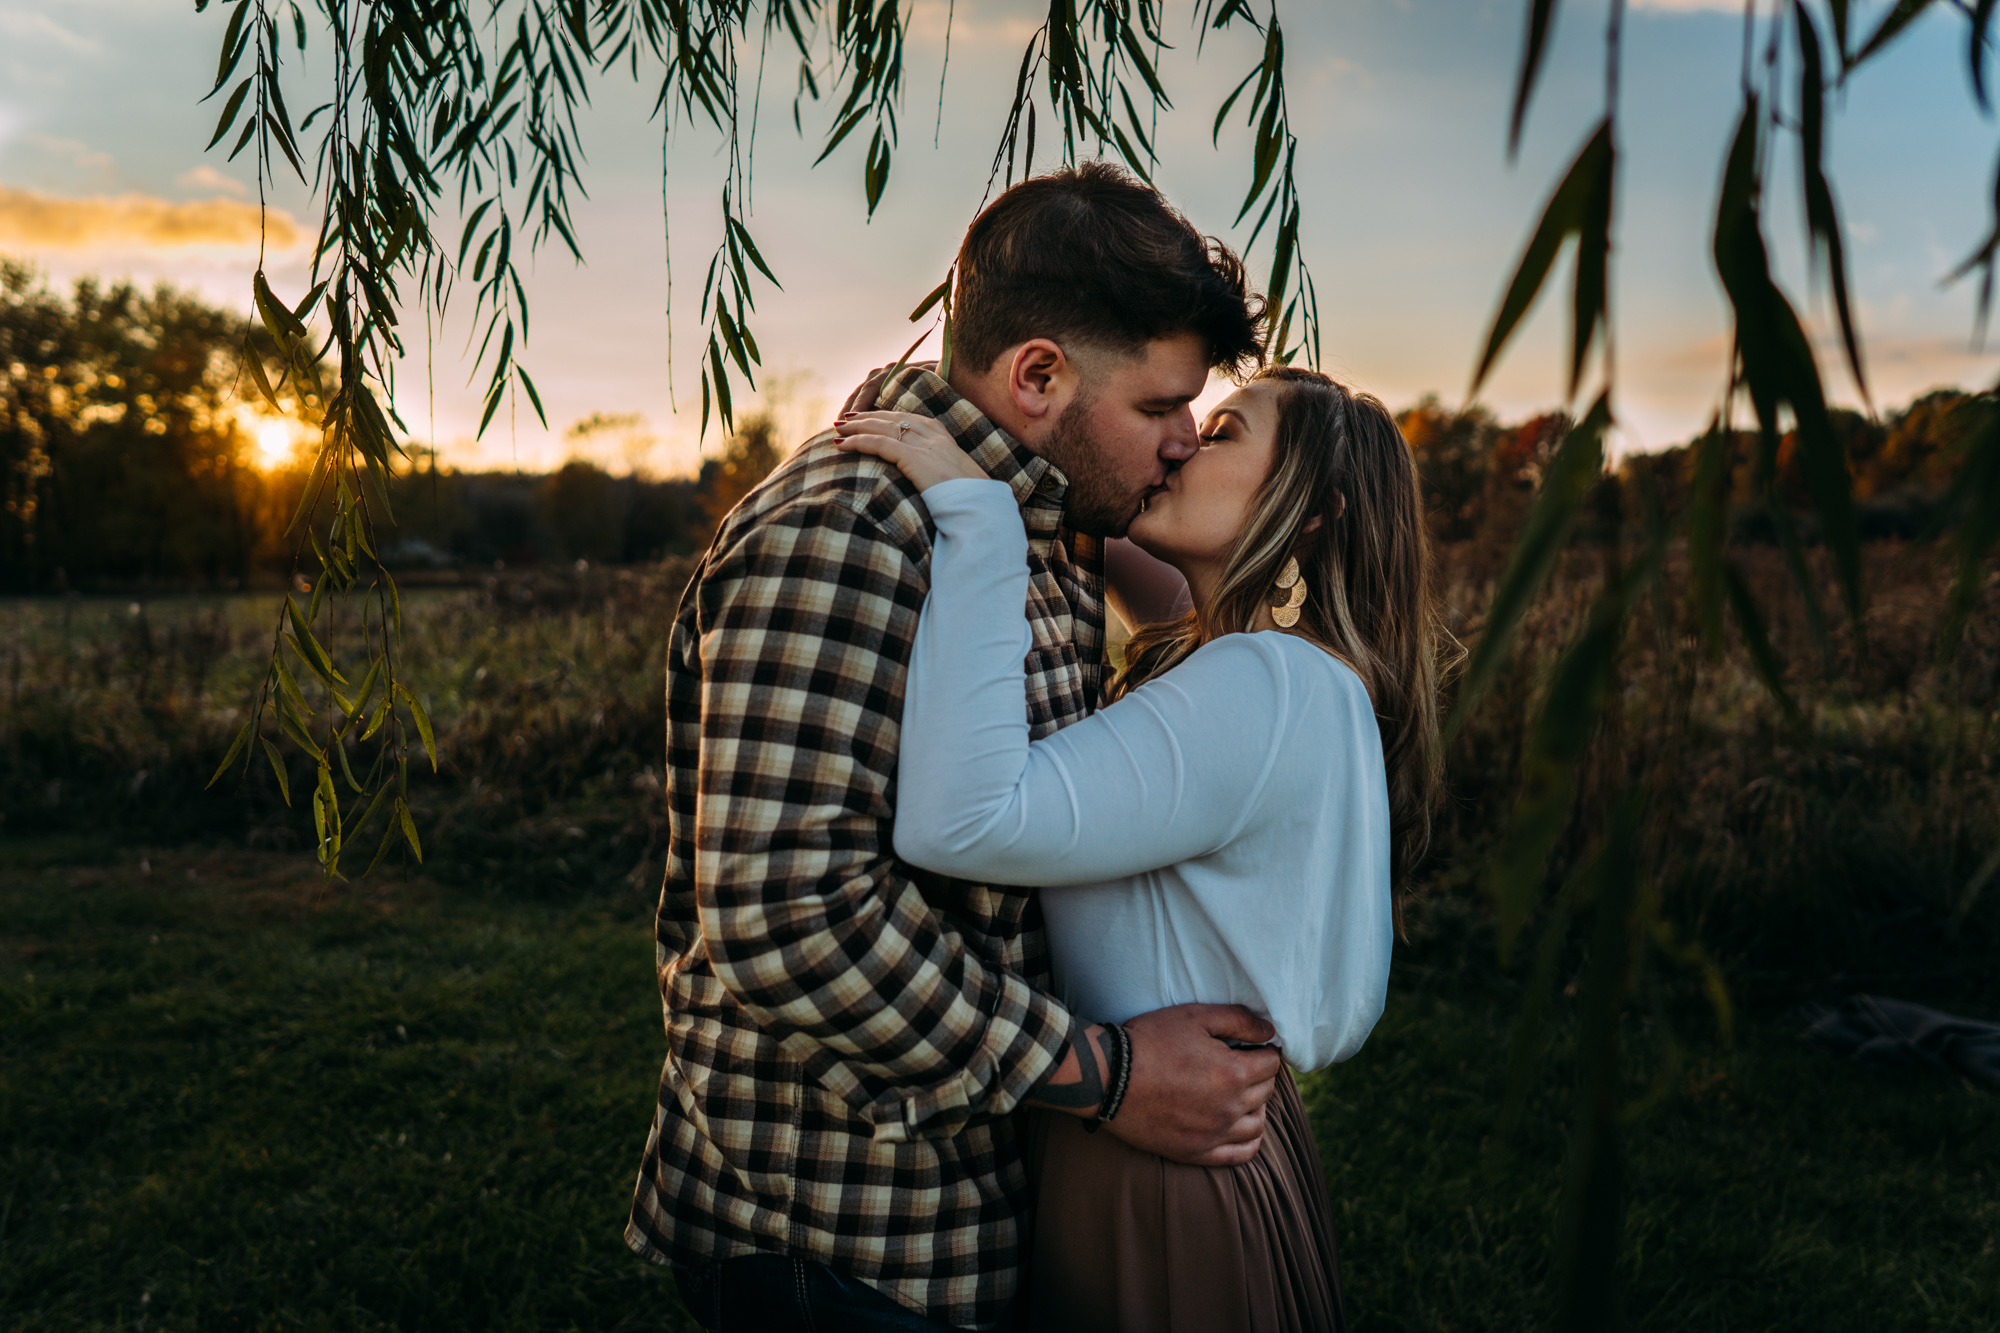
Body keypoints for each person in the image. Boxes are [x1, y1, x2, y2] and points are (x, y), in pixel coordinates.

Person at [625, 162, 1285, 1333]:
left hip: (973, 1197)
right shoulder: (845, 531)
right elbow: (789, 918)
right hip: (842, 1232)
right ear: (1037, 374)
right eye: (1156, 408)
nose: (1183, 441)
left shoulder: (1044, 518)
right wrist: (1108, 1076)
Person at [832, 363, 1450, 1332]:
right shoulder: (1299, 669)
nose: (1179, 444)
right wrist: (1072, 461)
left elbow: (960, 823)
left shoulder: (1263, 682)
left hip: (1154, 1161)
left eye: (1223, 433)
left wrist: (980, 519)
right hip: (1202, 1138)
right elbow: (1148, 569)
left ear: (1312, 512)